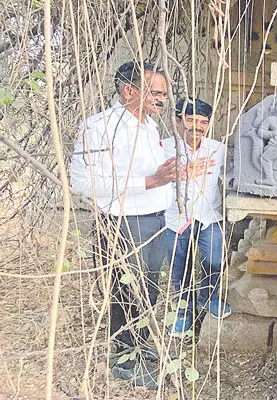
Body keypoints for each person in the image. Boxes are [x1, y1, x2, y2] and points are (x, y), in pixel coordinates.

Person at [70, 61, 178, 388]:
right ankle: (123, 360)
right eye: (155, 93)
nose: (162, 100)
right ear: (129, 91)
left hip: (155, 220)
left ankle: (139, 349)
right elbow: (82, 182)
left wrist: (174, 174)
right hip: (123, 224)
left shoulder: (149, 127)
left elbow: (154, 174)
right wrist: (149, 181)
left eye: (163, 94)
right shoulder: (100, 127)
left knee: (150, 291)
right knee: (128, 292)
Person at [165, 98, 231, 337]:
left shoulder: (218, 149)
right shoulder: (164, 147)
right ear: (178, 121)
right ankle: (184, 313)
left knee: (215, 261)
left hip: (209, 216)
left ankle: (208, 297)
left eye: (204, 122)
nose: (198, 127)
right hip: (175, 219)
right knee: (180, 269)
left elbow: (233, 175)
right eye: (192, 120)